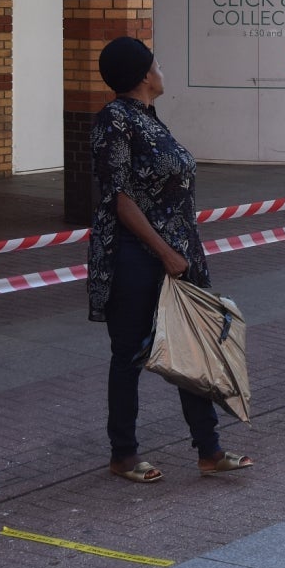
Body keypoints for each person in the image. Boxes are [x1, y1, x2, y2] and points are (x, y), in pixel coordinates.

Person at [88, 38, 252, 483]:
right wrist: (164, 253)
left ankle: (209, 450)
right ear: (143, 75)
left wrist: (181, 255)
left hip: (177, 257)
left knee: (190, 347)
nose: (162, 70)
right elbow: (120, 199)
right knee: (129, 356)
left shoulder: (147, 119)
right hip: (136, 258)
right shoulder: (114, 121)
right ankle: (123, 453)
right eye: (156, 64)